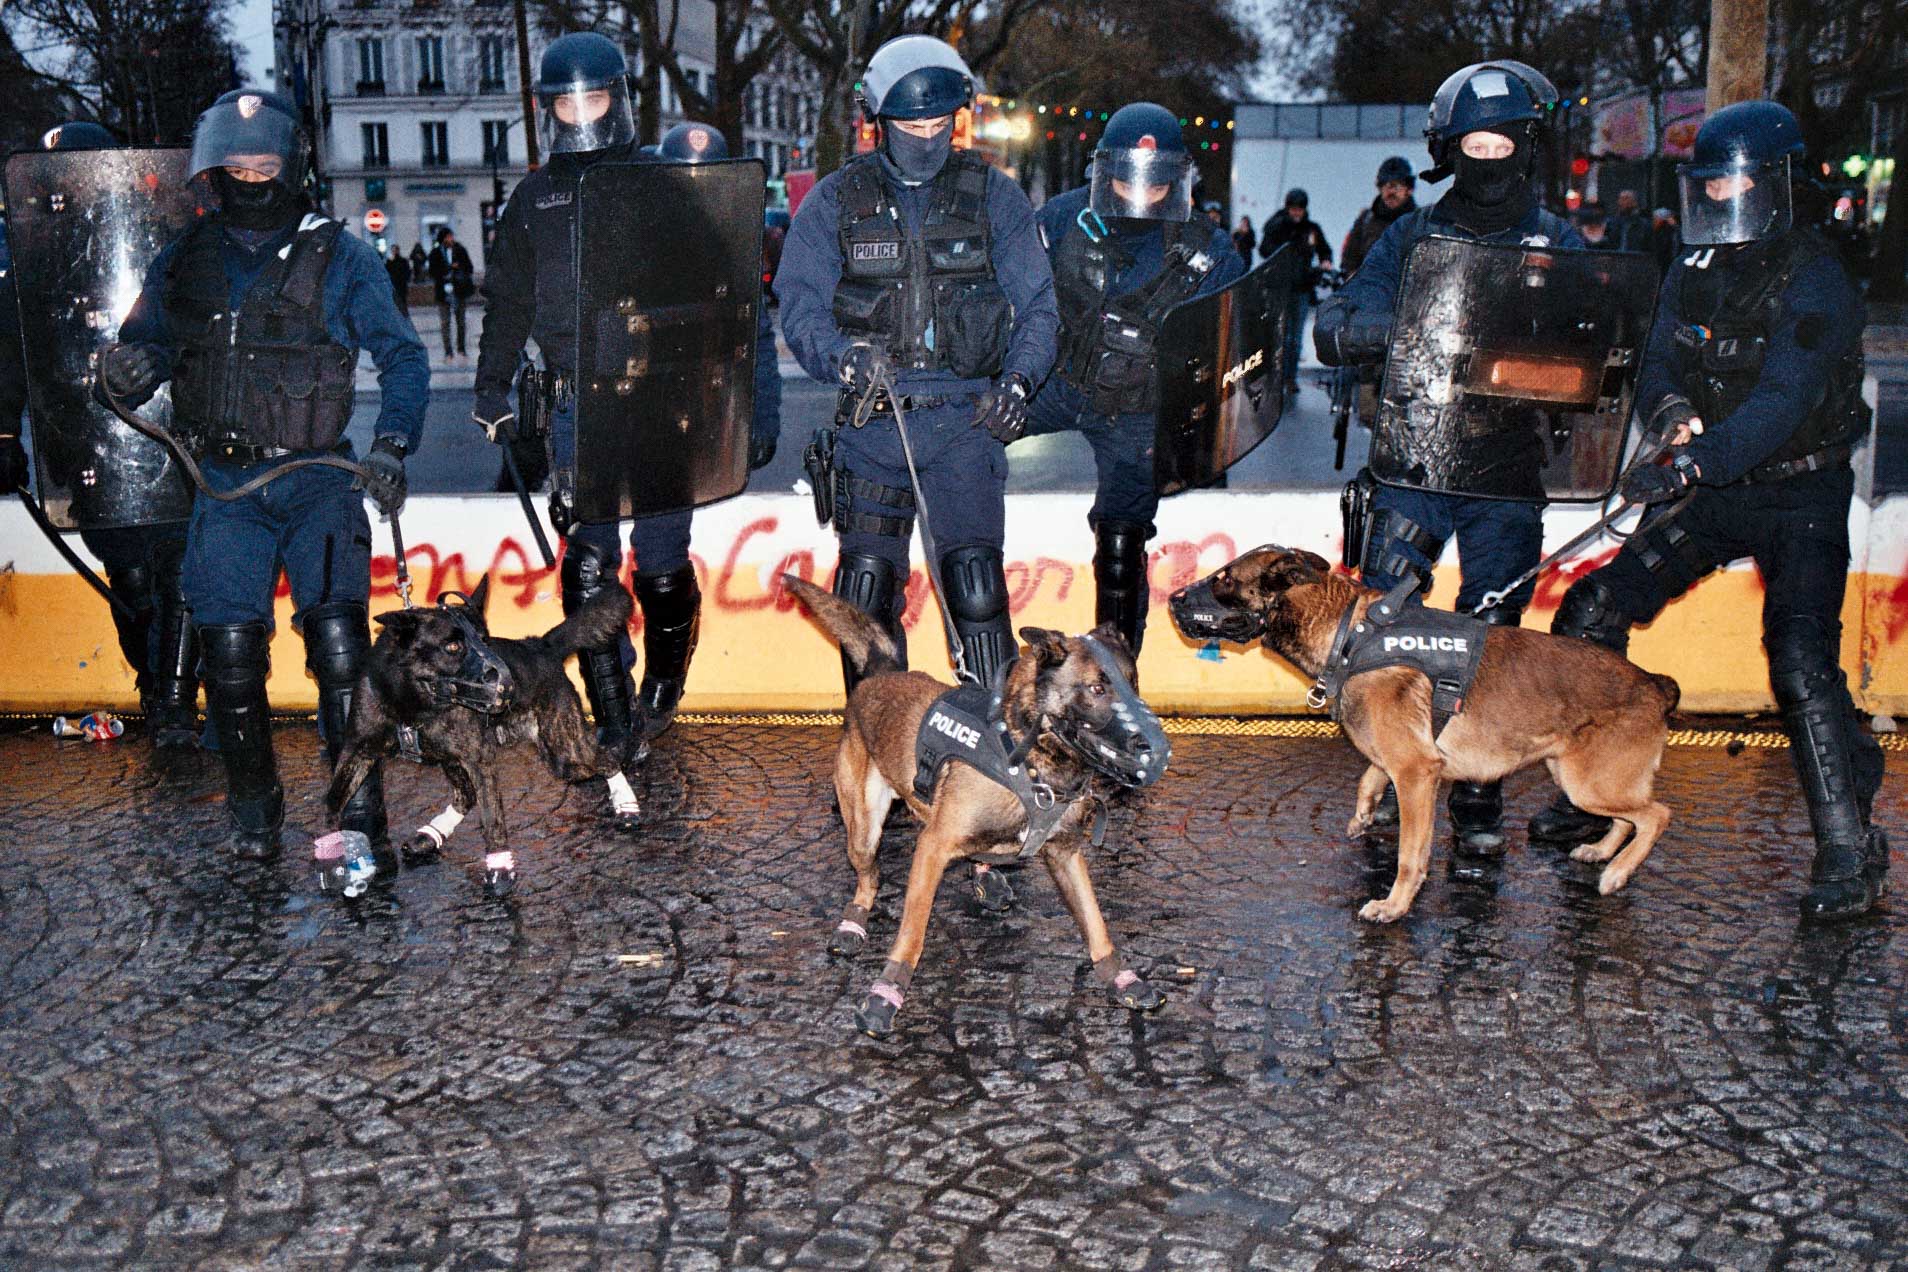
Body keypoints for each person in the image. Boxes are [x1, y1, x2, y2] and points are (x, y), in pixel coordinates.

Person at [1532, 101, 1888, 920]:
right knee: (1591, 611)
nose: (1723, 200)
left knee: (1800, 662)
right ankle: (1590, 795)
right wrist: (1671, 415)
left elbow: (1783, 399)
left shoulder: (1817, 276)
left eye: (1738, 185)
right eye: (1712, 185)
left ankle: (1848, 846)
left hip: (1800, 491)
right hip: (1715, 489)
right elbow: (1658, 359)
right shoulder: (1692, 265)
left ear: (1781, 186)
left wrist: (1693, 458)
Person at [100, 88, 428, 864]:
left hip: (319, 479)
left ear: (292, 169)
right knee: (231, 653)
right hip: (225, 485)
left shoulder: (340, 255)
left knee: (343, 650)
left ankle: (359, 817)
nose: (250, 178)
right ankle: (254, 815)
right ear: (214, 172)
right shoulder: (186, 256)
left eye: (265, 165)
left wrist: (391, 444)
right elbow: (138, 346)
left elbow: (405, 356)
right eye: (235, 166)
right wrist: (128, 368)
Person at [1313, 60, 1583, 855]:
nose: (1489, 156)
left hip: (1505, 474)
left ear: (1528, 146)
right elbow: (1337, 321)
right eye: (1475, 141)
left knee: (1492, 637)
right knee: (1391, 626)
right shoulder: (1411, 233)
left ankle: (1479, 798)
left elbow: (1598, 352)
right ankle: (1403, 777)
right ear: (1448, 147)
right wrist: (1380, 334)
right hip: (1415, 465)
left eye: (1504, 141)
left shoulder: (1556, 242)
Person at [778, 33, 1058, 698]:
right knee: (867, 598)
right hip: (875, 423)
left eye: (940, 124)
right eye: (911, 125)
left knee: (977, 590)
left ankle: (996, 748)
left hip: (968, 420)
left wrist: (1019, 382)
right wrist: (843, 357)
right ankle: (878, 751)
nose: (927, 138)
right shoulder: (836, 201)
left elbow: (1042, 306)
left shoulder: (996, 196)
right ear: (878, 120)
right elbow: (799, 304)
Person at [2, 121, 204, 750]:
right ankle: (155, 683)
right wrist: (7, 434)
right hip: (89, 449)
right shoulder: (30, 264)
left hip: (166, 437)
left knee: (177, 571)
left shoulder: (158, 243)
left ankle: (173, 703)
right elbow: (14, 353)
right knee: (131, 580)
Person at [1027, 101, 1244, 654]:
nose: (1142, 194)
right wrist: (1005, 382)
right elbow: (1017, 301)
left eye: (1156, 182)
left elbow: (1226, 348)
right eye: (1127, 180)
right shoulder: (1060, 219)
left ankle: (1117, 669)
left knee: (1122, 531)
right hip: (1061, 379)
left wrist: (1199, 434)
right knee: (964, 438)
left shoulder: (1209, 248)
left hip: (1139, 407)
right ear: (1106, 172)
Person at [1258, 188, 1332, 394]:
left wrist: (1325, 261)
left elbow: (1324, 249)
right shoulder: (1277, 225)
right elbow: (1265, 249)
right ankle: (1274, 375)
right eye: (1293, 209)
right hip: (1280, 287)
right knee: (1278, 333)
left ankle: (1289, 376)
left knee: (1295, 336)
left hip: (1301, 287)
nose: (1296, 213)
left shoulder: (1312, 230)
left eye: (1299, 209)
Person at [1339, 156, 1417, 277]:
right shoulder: (1366, 220)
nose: (1390, 192)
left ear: (1409, 189)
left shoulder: (1420, 221)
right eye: (1385, 186)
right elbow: (1349, 258)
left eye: (1396, 186)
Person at [427, 227, 473, 358]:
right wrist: (447, 268)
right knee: (445, 322)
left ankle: (461, 348)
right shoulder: (436, 253)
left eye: (451, 236)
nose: (450, 239)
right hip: (443, 291)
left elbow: (469, 268)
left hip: (459, 290)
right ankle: (448, 351)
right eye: (448, 237)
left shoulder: (460, 250)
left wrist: (459, 269)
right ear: (443, 239)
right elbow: (432, 272)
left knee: (461, 322)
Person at [385, 244, 411, 314]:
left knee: (402, 299)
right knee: (396, 300)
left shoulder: (402, 261)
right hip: (394, 284)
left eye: (395, 250)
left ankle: (403, 313)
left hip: (401, 284)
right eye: (393, 250)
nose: (394, 252)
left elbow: (407, 271)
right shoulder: (389, 261)